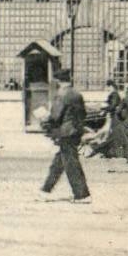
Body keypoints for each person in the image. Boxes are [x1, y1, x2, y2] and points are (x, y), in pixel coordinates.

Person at [39, 67, 91, 203]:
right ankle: (45, 190)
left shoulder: (61, 94)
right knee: (59, 163)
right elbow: (83, 114)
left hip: (65, 132)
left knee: (71, 164)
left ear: (57, 81)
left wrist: (44, 119)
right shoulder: (77, 94)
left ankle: (82, 195)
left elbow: (55, 116)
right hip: (75, 131)